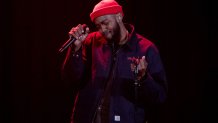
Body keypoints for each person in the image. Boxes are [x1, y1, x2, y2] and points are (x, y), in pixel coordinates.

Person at [61, 0, 167, 123]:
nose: (102, 29)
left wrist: (144, 79)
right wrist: (75, 50)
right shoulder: (91, 42)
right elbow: (70, 79)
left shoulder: (146, 49)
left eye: (105, 23)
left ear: (119, 16)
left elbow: (159, 96)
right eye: (98, 26)